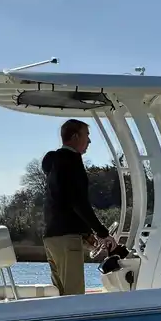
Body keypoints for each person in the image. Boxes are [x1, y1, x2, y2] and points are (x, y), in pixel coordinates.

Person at [41, 118, 116, 296]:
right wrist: (102, 232)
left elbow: (63, 201)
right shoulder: (71, 162)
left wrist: (85, 232)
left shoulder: (54, 163)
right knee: (73, 296)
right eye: (87, 135)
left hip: (51, 237)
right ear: (75, 137)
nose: (89, 141)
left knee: (61, 293)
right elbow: (78, 202)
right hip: (67, 238)